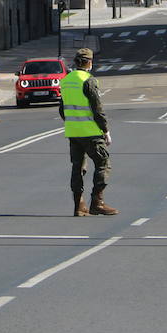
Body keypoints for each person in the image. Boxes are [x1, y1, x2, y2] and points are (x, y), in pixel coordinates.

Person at [59, 47, 117, 216]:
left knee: (77, 167)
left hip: (73, 132)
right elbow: (97, 109)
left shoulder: (66, 80)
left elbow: (62, 109)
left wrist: (72, 122)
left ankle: (79, 205)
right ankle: (97, 202)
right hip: (91, 131)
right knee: (103, 163)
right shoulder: (89, 81)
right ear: (89, 63)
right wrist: (105, 130)